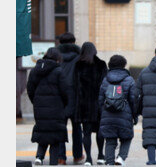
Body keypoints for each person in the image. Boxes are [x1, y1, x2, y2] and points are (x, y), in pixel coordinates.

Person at [27, 48, 68, 165]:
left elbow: (30, 89)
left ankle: (39, 157)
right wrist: (64, 104)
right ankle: (53, 162)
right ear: (57, 58)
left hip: (40, 107)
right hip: (56, 108)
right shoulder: (59, 71)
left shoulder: (35, 70)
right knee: (55, 136)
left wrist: (36, 102)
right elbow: (65, 91)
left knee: (43, 132)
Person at [99, 55, 137, 166]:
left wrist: (103, 112)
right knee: (127, 137)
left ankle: (109, 163)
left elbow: (100, 99)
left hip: (108, 114)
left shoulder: (105, 80)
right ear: (124, 65)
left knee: (110, 140)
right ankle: (121, 158)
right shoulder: (129, 80)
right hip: (124, 114)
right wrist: (134, 116)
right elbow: (133, 100)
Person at [74, 42, 108, 165]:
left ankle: (88, 158)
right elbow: (105, 85)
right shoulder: (101, 64)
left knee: (86, 132)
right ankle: (100, 155)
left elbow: (75, 86)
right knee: (100, 131)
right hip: (99, 104)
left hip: (83, 105)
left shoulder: (78, 65)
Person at [57, 32, 84, 165]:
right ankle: (78, 156)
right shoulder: (80, 57)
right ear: (73, 42)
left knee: (60, 126)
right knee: (77, 127)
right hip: (76, 96)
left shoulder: (55, 56)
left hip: (59, 97)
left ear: (60, 43)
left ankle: (61, 157)